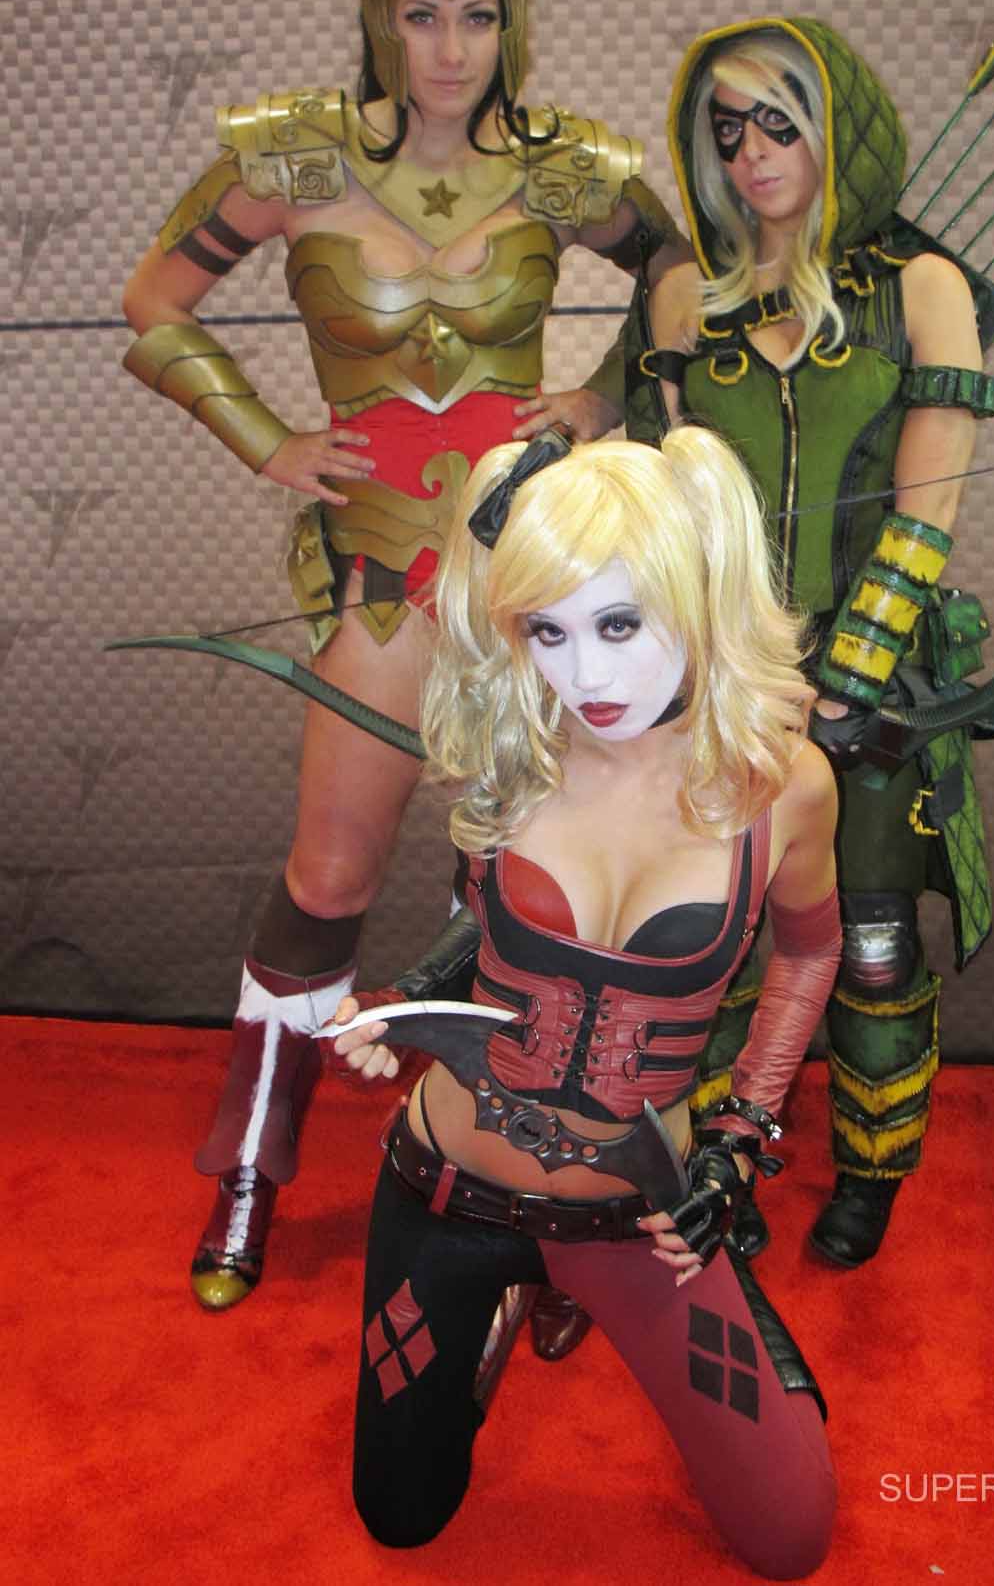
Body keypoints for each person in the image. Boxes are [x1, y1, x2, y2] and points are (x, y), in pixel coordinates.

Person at [119, 0, 684, 1311]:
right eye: (421, 14)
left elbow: (680, 275)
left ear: (511, 22)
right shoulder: (295, 154)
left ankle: (539, 1190)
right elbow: (153, 302)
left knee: (541, 893)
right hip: (380, 570)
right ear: (382, 17)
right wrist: (265, 438)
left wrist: (602, 395)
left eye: (476, 16)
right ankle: (253, 1160)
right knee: (328, 879)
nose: (449, 48)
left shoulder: (563, 167)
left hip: (530, 570)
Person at [329, 427, 841, 1576]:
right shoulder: (515, 750)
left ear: (697, 596)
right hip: (446, 1192)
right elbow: (484, 935)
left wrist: (736, 1144)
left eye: (618, 625)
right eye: (546, 632)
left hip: (636, 1219)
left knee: (791, 1536)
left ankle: (611, 1297)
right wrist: (401, 1004)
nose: (586, 678)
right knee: (399, 1515)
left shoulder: (781, 788)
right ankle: (510, 1307)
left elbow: (809, 955)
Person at [638, 18, 994, 1268]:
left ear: (833, 126)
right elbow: (658, 491)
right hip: (716, 678)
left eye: (777, 123)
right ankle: (718, 1158)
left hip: (876, 685)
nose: (750, 154)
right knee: (714, 937)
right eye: (726, 129)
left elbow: (928, 507)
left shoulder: (919, 286)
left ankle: (869, 1169)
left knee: (874, 944)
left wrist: (846, 678)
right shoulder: (683, 294)